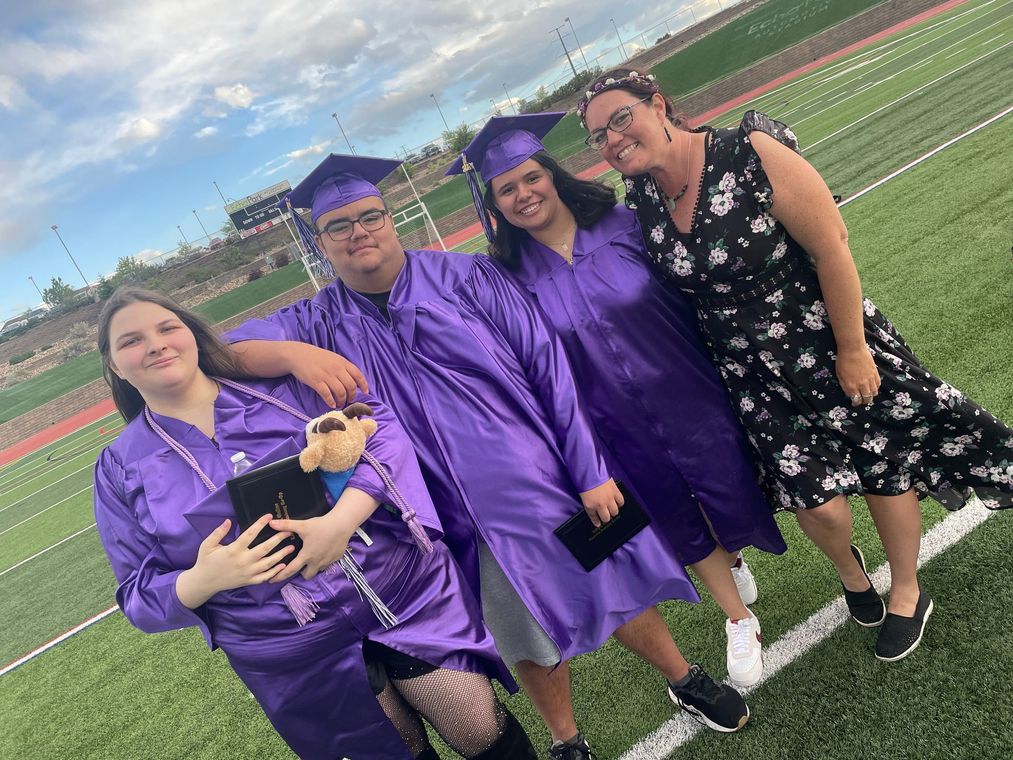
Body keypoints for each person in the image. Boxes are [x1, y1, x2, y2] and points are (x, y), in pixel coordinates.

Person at [227, 155, 751, 758]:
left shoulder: (469, 277)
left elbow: (549, 371)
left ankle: (684, 677)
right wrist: (294, 356)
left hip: (542, 481)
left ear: (391, 218)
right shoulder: (314, 323)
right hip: (443, 516)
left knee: (618, 585)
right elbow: (215, 354)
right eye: (339, 226)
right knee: (518, 629)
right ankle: (566, 740)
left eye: (369, 216)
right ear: (320, 244)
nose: (358, 233)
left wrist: (589, 471)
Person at [579, 68, 1013, 662]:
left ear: (658, 104)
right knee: (817, 502)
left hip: (823, 340)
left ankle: (908, 589)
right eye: (597, 135)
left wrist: (853, 347)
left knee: (883, 461)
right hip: (749, 374)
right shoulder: (644, 200)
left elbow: (830, 242)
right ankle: (852, 572)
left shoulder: (748, 151)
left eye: (620, 117)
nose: (612, 139)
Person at [92, 287, 536, 760]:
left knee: (477, 727)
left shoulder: (285, 391)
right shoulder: (119, 468)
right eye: (132, 341)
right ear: (115, 366)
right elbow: (137, 592)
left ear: (192, 335)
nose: (157, 345)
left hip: (401, 592)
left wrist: (340, 523)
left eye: (167, 328)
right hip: (287, 646)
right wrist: (202, 581)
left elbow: (379, 432)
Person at [444, 112, 789, 688]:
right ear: (495, 206)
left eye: (531, 178)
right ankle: (738, 616)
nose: (523, 195)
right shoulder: (504, 278)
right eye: (506, 190)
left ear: (553, 175)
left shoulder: (627, 224)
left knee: (730, 486)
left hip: (688, 388)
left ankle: (735, 556)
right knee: (671, 512)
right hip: (606, 421)